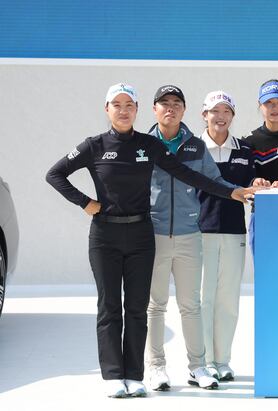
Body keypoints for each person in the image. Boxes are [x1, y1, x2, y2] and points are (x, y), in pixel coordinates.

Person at [45, 83, 254, 398]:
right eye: (117, 105)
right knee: (111, 306)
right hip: (109, 235)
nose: (123, 110)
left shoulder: (150, 145)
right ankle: (117, 375)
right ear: (107, 109)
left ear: (137, 109)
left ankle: (138, 374)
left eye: (129, 105)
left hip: (144, 235)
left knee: (139, 308)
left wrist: (231, 192)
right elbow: (55, 174)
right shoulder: (94, 145)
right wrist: (85, 202)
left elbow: (189, 175)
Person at [145, 85, 229, 391]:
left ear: (184, 109)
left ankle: (197, 367)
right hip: (153, 235)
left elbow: (215, 181)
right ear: (154, 109)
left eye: (176, 103)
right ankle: (156, 368)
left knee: (191, 305)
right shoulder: (142, 145)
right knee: (155, 305)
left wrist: (243, 191)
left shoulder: (195, 146)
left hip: (189, 236)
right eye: (164, 103)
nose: (170, 108)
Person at [198, 91, 255, 381]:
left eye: (226, 111)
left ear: (232, 115)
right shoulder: (192, 148)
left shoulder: (244, 150)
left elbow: (250, 185)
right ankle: (204, 361)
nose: (220, 116)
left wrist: (258, 183)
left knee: (228, 300)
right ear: (204, 115)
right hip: (200, 232)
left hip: (234, 231)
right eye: (214, 111)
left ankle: (222, 361)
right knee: (203, 300)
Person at [243, 79, 278, 251]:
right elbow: (246, 180)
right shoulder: (249, 140)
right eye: (268, 102)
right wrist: (257, 183)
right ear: (260, 105)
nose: (275, 107)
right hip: (263, 213)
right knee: (264, 266)